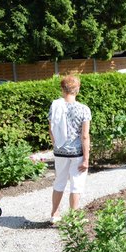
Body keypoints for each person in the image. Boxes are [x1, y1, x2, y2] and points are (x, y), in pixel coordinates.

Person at [48, 75, 91, 224]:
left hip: (60, 152)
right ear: (77, 89)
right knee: (76, 185)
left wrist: (57, 145)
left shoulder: (54, 107)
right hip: (77, 153)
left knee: (59, 182)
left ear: (62, 89)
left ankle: (54, 214)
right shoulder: (84, 109)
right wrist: (86, 158)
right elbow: (85, 136)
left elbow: (51, 130)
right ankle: (74, 217)